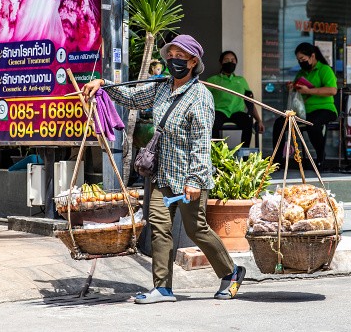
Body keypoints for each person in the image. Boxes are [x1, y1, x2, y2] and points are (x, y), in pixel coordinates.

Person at [82, 34, 246, 304]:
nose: (173, 61)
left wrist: (194, 179)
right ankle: (163, 288)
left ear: (193, 62)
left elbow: (201, 144)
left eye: (179, 57)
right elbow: (132, 98)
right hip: (162, 174)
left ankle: (231, 271)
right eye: (170, 56)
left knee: (196, 229)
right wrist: (104, 85)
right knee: (159, 227)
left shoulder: (200, 97)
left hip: (190, 178)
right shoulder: (160, 87)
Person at [272, 42, 337, 169]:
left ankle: (320, 157)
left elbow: (332, 90)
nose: (301, 62)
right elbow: (298, 89)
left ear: (312, 56)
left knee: (313, 125)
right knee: (280, 123)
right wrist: (292, 87)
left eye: (303, 59)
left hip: (324, 109)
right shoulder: (302, 73)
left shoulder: (324, 69)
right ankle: (277, 161)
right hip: (304, 111)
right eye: (298, 60)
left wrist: (309, 91)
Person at [207, 51, 264, 147]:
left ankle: (244, 155)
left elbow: (250, 101)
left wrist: (259, 120)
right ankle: (216, 155)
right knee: (212, 122)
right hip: (220, 111)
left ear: (236, 63)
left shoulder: (241, 80)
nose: (230, 62)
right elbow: (203, 98)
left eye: (233, 60)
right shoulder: (213, 80)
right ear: (221, 62)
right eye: (226, 60)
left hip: (237, 112)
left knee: (248, 121)